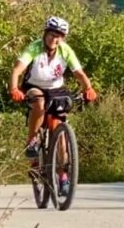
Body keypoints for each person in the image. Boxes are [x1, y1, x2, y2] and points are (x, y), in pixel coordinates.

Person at [9, 16, 98, 194]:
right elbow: (17, 70)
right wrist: (14, 88)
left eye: (58, 36)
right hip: (34, 87)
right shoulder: (34, 47)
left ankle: (63, 176)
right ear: (45, 34)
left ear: (63, 38)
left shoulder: (65, 51)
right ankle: (32, 140)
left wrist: (89, 88)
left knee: (61, 132)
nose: (54, 39)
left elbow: (79, 73)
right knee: (39, 102)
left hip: (56, 89)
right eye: (51, 34)